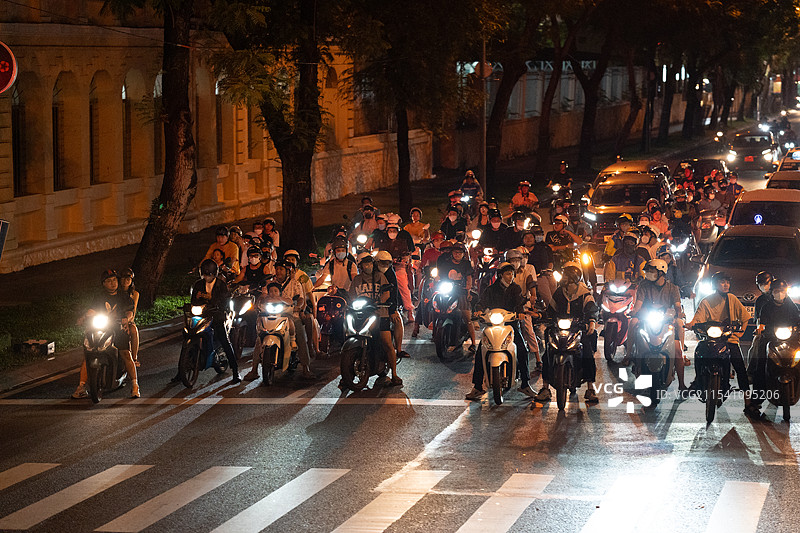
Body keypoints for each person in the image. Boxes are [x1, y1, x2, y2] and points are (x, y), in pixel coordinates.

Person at [685, 271, 754, 417]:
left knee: (741, 369)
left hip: (729, 339)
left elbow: (745, 317)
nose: (725, 284)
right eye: (722, 282)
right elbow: (697, 319)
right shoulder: (706, 301)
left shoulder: (732, 299)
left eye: (727, 282)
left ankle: (748, 403)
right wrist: (690, 324)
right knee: (698, 352)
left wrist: (740, 332)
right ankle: (697, 380)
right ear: (715, 284)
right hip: (711, 340)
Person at [466, 262, 536, 400]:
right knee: (481, 351)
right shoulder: (491, 289)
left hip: (510, 325)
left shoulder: (515, 289)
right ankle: (477, 387)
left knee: (522, 349)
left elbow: (519, 302)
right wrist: (479, 309)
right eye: (508, 273)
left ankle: (525, 384)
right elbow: (482, 301)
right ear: (500, 275)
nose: (511, 276)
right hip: (493, 325)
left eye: (512, 273)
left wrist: (520, 313)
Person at [534, 264, 599, 404]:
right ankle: (545, 388)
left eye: (568, 279)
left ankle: (590, 388)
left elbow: (592, 308)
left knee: (587, 353)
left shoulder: (584, 293)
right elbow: (551, 309)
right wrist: (541, 316)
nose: (565, 282)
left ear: (574, 280)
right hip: (560, 329)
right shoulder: (559, 292)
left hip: (578, 329)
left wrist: (591, 321)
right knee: (548, 354)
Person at [72, 269, 139, 399]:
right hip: (101, 329)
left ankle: (135, 385)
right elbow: (91, 311)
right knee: (88, 353)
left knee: (125, 353)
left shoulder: (123, 296)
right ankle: (81, 386)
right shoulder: (99, 297)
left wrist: (127, 319)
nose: (112, 283)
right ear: (103, 284)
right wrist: (83, 317)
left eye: (114, 280)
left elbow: (130, 312)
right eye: (108, 281)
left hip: (118, 328)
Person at [627, 259, 687, 389]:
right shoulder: (643, 285)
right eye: (648, 271)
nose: (648, 273)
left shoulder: (673, 288)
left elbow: (677, 307)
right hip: (647, 319)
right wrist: (634, 312)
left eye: (651, 271)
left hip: (667, 322)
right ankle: (628, 354)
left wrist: (679, 313)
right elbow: (638, 304)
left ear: (661, 272)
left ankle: (682, 383)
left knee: (679, 328)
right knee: (633, 322)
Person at [350, 252, 402, 386]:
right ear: (360, 266)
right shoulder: (356, 280)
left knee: (386, 341)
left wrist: (379, 301)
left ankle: (394, 374)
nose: (368, 266)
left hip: (380, 312)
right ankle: (347, 376)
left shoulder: (380, 276)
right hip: (362, 314)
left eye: (370, 263)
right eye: (365, 263)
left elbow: (387, 293)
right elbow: (352, 296)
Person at [750, 278, 800, 417]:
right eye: (777, 291)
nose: (779, 294)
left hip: (791, 339)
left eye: (782, 291)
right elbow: (761, 323)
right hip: (771, 339)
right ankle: (756, 401)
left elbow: (797, 320)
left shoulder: (792, 306)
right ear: (772, 293)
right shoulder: (766, 307)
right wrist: (760, 329)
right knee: (760, 366)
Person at [188, 260, 241, 384]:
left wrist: (213, 300)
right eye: (204, 275)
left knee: (224, 340)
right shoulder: (198, 284)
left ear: (214, 274)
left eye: (209, 275)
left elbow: (224, 301)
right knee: (188, 334)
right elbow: (193, 300)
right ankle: (181, 372)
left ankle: (235, 371)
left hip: (216, 315)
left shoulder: (221, 285)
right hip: (201, 314)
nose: (206, 277)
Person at [266, 261, 315, 379]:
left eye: (281, 269)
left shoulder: (295, 284)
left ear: (287, 271)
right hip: (274, 314)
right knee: (261, 334)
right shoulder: (271, 284)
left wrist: (297, 306)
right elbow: (264, 296)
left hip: (292, 314)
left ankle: (305, 367)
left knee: (299, 334)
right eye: (277, 269)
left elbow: (301, 299)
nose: (278, 272)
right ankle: (254, 368)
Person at [244, 282, 298, 381]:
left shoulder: (283, 299)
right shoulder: (266, 299)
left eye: (275, 291)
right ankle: (254, 369)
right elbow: (259, 304)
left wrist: (280, 299)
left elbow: (290, 302)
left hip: (281, 318)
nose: (273, 293)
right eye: (271, 291)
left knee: (290, 322)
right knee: (258, 329)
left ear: (280, 292)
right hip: (267, 320)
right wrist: (258, 304)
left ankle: (292, 339)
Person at [436, 242, 477, 351]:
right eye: (455, 252)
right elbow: (440, 275)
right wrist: (435, 281)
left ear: (463, 254)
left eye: (460, 252)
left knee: (466, 316)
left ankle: (473, 343)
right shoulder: (446, 263)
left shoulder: (466, 264)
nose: (457, 254)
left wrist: (468, 289)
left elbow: (469, 278)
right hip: (448, 290)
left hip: (461, 292)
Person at [508, 248, 542, 370]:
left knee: (528, 330)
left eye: (518, 260)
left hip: (523, 306)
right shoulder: (504, 272)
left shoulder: (526, 272)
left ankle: (538, 360)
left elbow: (531, 284)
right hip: (507, 308)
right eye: (513, 260)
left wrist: (533, 296)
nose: (515, 262)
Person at [375, 250, 410, 362]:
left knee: (398, 321)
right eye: (382, 263)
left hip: (386, 305)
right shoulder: (370, 272)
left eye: (387, 263)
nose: (385, 266)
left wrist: (392, 310)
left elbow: (394, 292)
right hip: (371, 305)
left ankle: (399, 350)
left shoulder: (390, 273)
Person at [283, 249, 320, 357]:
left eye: (292, 259)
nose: (290, 261)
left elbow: (309, 293)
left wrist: (313, 308)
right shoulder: (281, 274)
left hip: (300, 305)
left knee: (308, 319)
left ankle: (309, 345)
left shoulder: (302, 276)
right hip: (284, 307)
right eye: (288, 259)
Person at [118, 268, 141, 368]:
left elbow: (133, 312)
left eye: (128, 279)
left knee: (133, 330)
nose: (125, 281)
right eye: (123, 279)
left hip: (127, 320)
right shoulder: (116, 292)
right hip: (114, 319)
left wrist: (127, 321)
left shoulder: (134, 294)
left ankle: (134, 358)